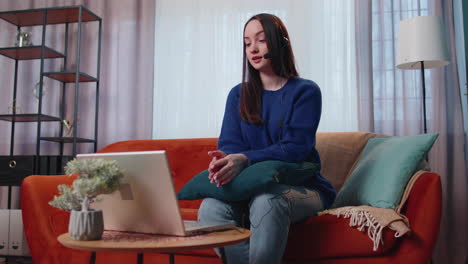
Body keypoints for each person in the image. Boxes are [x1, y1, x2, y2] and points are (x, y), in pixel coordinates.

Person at [197, 13, 336, 264]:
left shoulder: (306, 91)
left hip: (304, 187)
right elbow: (229, 144)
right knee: (210, 208)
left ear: (279, 42)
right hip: (248, 190)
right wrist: (226, 159)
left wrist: (245, 158)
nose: (253, 48)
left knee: (266, 202)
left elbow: (296, 148)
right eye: (247, 42)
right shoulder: (238, 94)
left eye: (261, 40)